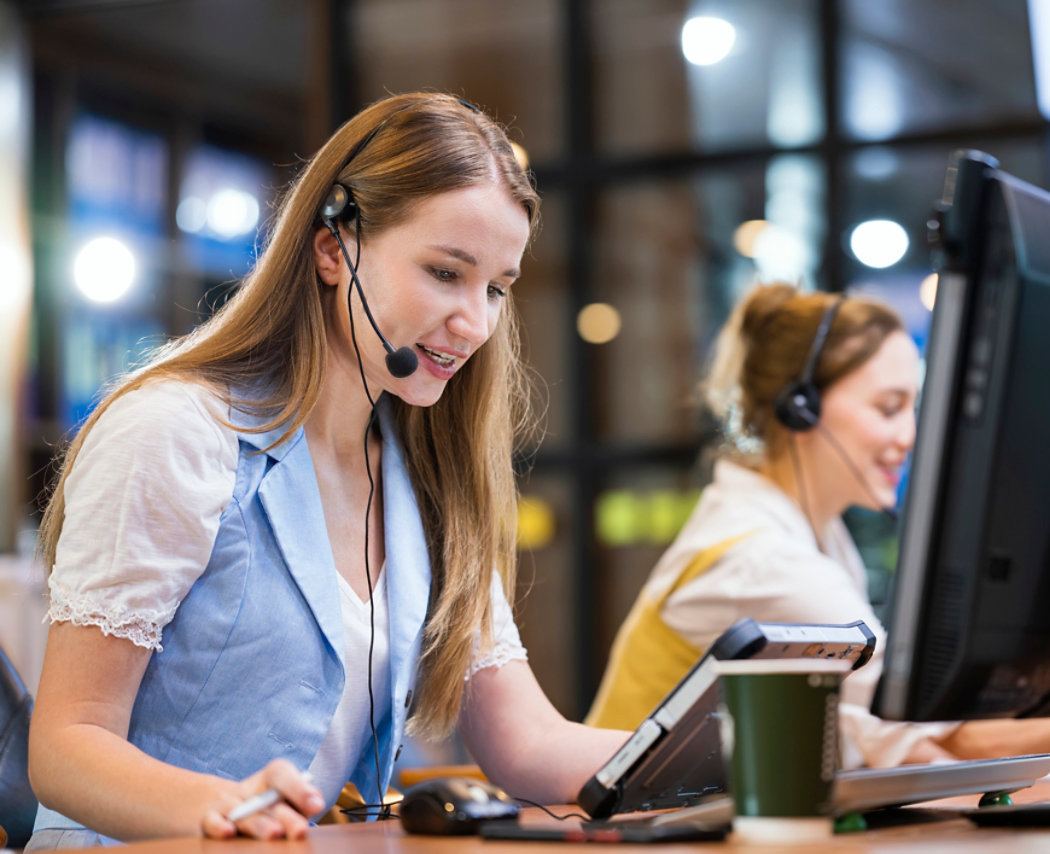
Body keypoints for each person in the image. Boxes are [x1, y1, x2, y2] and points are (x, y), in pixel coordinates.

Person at [26, 92, 630, 848]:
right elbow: (65, 747)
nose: (476, 322)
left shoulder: (426, 473)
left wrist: (730, 743)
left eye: (497, 288)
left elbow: (528, 745)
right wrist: (221, 806)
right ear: (331, 250)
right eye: (446, 273)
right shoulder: (176, 431)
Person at [586, 282, 1050, 768]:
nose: (911, 435)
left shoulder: (807, 537)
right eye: (889, 406)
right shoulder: (764, 561)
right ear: (799, 409)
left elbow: (908, 737)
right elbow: (953, 735)